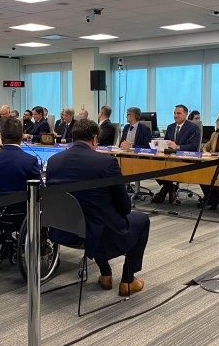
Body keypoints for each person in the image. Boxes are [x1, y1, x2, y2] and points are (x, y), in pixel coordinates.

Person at [47, 119, 150, 296]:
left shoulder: (54, 161)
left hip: (65, 230)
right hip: (99, 233)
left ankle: (106, 275)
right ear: (95, 139)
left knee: (96, 216)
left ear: (73, 136)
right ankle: (127, 281)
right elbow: (124, 207)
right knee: (142, 219)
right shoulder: (106, 162)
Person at [0, 118, 41, 199]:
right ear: (21, 137)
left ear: (1, 137)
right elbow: (40, 192)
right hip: (21, 210)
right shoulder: (30, 161)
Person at [152, 104, 202, 203]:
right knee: (153, 163)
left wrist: (177, 147)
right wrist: (158, 146)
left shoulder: (193, 127)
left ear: (186, 114)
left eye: (178, 113)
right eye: (174, 113)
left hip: (184, 157)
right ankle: (170, 186)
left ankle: (166, 189)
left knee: (166, 164)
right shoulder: (170, 127)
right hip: (169, 156)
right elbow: (166, 143)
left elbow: (194, 147)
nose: (175, 115)